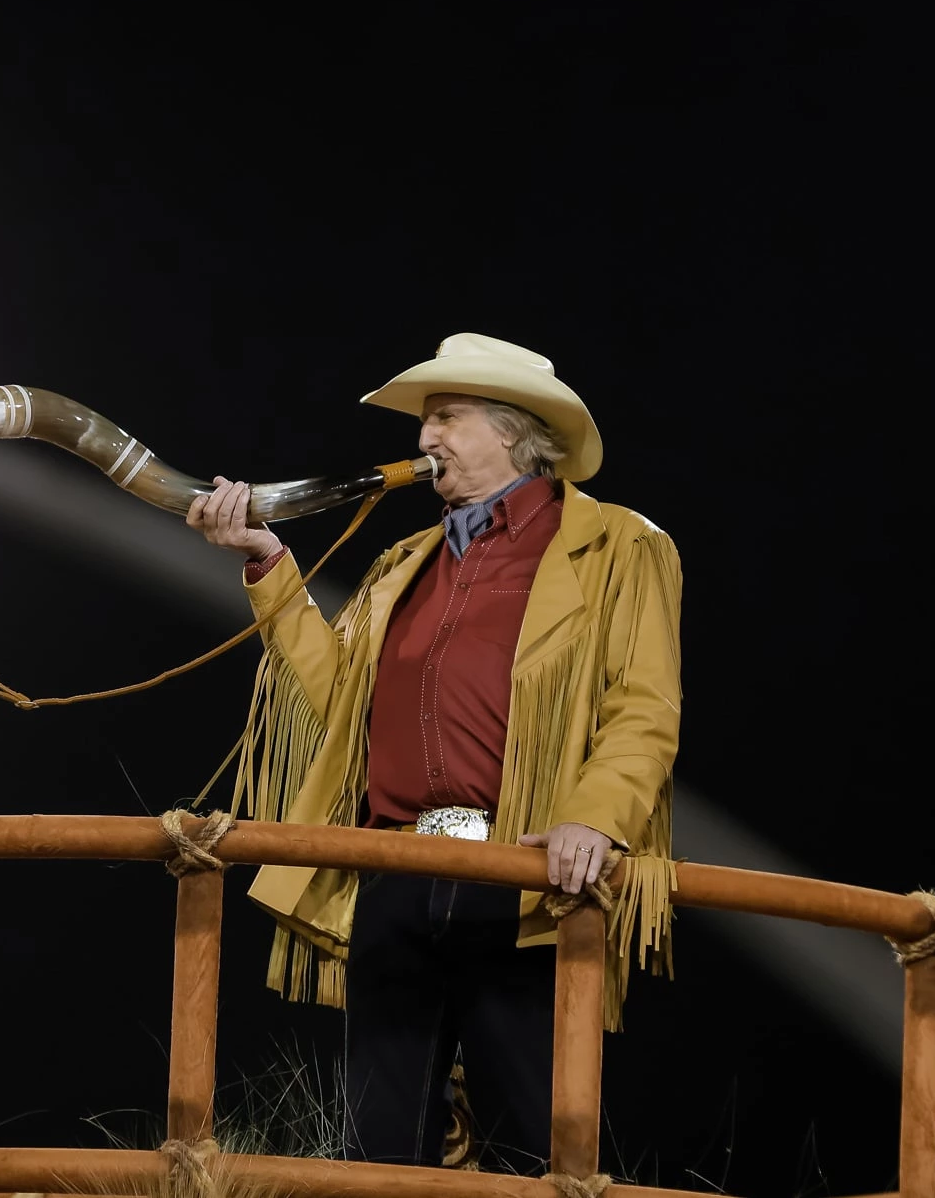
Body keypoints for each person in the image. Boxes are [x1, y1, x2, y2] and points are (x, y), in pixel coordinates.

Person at [187, 332, 682, 1173]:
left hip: (524, 881)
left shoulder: (622, 546)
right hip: (393, 871)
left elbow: (644, 703)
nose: (424, 439)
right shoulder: (402, 561)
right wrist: (270, 562)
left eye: (446, 416)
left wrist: (595, 818)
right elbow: (341, 701)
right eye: (426, 420)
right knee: (378, 1149)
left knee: (533, 1148)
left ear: (515, 429)